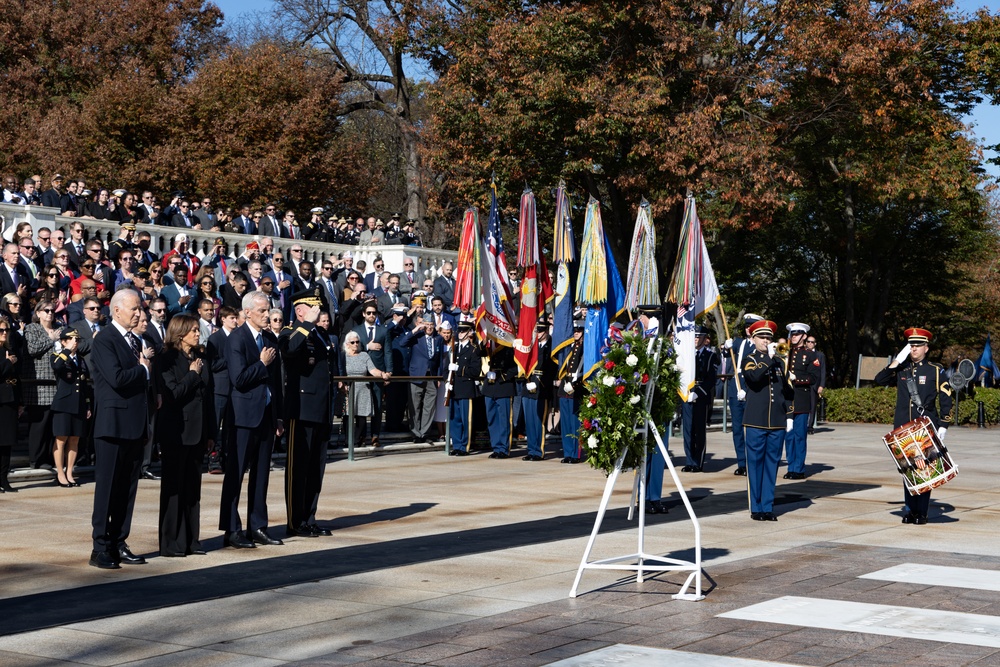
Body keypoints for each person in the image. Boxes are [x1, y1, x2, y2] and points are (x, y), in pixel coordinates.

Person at [89, 290, 152, 569]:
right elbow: (116, 378)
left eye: (139, 308)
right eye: (134, 309)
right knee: (107, 489)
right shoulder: (105, 339)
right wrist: (143, 370)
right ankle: (100, 547)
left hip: (135, 425)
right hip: (112, 426)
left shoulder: (135, 340)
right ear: (116, 311)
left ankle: (119, 541)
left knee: (127, 489)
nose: (139, 313)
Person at [220, 291, 285, 549]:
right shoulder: (237, 339)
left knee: (261, 475)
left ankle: (257, 526)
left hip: (267, 415)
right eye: (262, 311)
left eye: (268, 310)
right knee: (236, 474)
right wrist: (260, 363)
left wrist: (279, 414)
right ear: (247, 312)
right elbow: (239, 379)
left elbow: (276, 381)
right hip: (244, 416)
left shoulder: (269, 338)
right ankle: (232, 529)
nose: (267, 315)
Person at [874, 327, 953, 525]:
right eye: (911, 345)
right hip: (903, 427)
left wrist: (943, 425)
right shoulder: (901, 369)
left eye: (918, 346)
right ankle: (909, 511)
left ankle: (922, 512)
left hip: (924, 427)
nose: (914, 349)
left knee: (924, 468)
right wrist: (897, 361)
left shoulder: (935, 370)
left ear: (926, 348)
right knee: (907, 469)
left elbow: (946, 398)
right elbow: (878, 380)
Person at [279, 288, 338, 538]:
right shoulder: (290, 332)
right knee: (298, 469)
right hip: (302, 410)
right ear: (300, 310)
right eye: (313, 308)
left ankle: (309, 517)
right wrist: (306, 325)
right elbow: (290, 350)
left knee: (316, 470)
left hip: (321, 410)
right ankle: (295, 521)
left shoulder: (321, 334)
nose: (318, 312)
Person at [156, 314, 213, 557]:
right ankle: (171, 543)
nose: (197, 334)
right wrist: (191, 374)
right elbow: (173, 395)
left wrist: (211, 432)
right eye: (193, 331)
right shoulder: (166, 358)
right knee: (174, 488)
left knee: (193, 489)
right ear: (180, 332)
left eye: (198, 330)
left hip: (198, 432)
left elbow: (208, 397)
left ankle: (192, 541)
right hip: (176, 431)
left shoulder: (200, 357)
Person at [741, 319, 792, 521]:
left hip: (777, 421)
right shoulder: (750, 358)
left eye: (768, 337)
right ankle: (756, 507)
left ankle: (767, 506)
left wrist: (789, 414)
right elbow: (753, 379)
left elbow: (788, 391)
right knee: (754, 464)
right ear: (753, 339)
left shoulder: (780, 362)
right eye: (762, 337)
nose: (766, 340)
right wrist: (770, 360)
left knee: (772, 464)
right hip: (755, 421)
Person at [722, 314, 764, 476]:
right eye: (747, 326)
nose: (748, 328)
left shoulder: (760, 346)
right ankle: (742, 463)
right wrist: (726, 347)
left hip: (751, 389)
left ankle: (753, 462)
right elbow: (725, 357)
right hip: (735, 388)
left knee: (752, 430)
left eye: (751, 325)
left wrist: (746, 389)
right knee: (737, 429)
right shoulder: (738, 343)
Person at [23, 300, 61, 469]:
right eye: (46, 311)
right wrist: (50, 339)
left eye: (52, 311)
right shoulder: (32, 328)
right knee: (39, 425)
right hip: (40, 385)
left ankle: (50, 457)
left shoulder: (59, 329)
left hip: (58, 384)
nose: (50, 313)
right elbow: (32, 349)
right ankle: (36, 459)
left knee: (53, 425)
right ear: (38, 313)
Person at [50, 328, 90, 488]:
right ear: (64, 341)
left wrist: (87, 404)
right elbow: (57, 367)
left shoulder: (80, 360)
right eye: (72, 339)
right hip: (63, 404)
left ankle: (69, 472)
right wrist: (66, 350)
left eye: (77, 340)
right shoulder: (58, 356)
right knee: (61, 439)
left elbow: (84, 383)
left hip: (78, 404)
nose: (76, 342)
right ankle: (60, 473)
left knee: (74, 439)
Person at [398, 313, 444, 443]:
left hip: (432, 376)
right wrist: (415, 330)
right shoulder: (416, 337)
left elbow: (439, 359)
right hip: (417, 374)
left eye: (431, 325)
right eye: (427, 325)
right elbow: (402, 343)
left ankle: (425, 432)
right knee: (415, 405)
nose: (429, 327)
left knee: (429, 406)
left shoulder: (438, 338)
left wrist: (439, 377)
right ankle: (415, 433)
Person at [783, 322, 820, 480]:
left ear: (804, 336)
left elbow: (813, 377)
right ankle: (791, 467)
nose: (794, 337)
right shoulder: (786, 352)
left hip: (801, 399)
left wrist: (796, 378)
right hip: (786, 399)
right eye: (792, 334)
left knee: (799, 436)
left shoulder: (811, 355)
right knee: (788, 436)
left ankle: (798, 468)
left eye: (797, 334)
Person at [343, 329, 390, 447]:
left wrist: (383, 374)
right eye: (353, 342)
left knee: (361, 416)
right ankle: (348, 441)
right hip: (349, 388)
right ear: (347, 343)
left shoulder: (364, 355)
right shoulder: (344, 356)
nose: (356, 344)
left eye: (357, 342)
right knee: (348, 416)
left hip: (363, 388)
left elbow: (372, 370)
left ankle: (359, 439)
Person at [681, 326, 719, 472]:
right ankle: (689, 460)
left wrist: (698, 392)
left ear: (705, 339)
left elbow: (710, 379)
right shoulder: (686, 355)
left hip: (701, 396)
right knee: (688, 430)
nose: (696, 339)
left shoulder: (710, 356)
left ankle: (698, 461)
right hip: (686, 394)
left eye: (699, 336)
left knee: (699, 430)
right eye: (694, 336)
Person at [519, 317, 556, 461]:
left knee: (538, 420)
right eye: (537, 330)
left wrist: (540, 382)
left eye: (541, 330)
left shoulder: (551, 346)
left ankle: (538, 451)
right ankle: (531, 449)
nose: (538, 333)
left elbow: (552, 369)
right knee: (529, 421)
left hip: (541, 388)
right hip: (528, 385)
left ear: (547, 331)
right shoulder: (531, 345)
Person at [448, 319, 481, 456]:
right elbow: (446, 367)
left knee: (465, 419)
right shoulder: (453, 348)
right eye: (459, 330)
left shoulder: (474, 350)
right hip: (453, 388)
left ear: (469, 332)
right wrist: (447, 379)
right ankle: (456, 445)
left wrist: (459, 368)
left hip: (466, 389)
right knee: (455, 419)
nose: (460, 333)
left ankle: (464, 446)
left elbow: (475, 371)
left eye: (463, 331)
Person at [557, 317, 585, 464]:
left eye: (579, 330)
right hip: (565, 387)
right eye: (574, 330)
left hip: (576, 388)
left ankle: (575, 454)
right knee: (566, 423)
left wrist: (576, 385)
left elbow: (587, 371)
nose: (576, 333)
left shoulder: (586, 348)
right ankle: (567, 452)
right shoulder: (568, 347)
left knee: (575, 424)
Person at [0, 321, 19, 492]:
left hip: (10, 400)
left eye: (6, 330)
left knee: (7, 442)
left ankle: (4, 478)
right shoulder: (6, 356)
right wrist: (8, 363)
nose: (4, 332)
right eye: (1, 330)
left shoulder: (9, 350)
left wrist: (19, 402)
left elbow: (16, 379)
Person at [806, 334, 827, 432]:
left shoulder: (820, 355)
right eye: (808, 341)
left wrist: (821, 385)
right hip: (802, 384)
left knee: (812, 406)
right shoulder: (802, 353)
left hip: (814, 385)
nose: (810, 343)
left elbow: (823, 371)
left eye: (812, 342)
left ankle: (810, 426)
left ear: (815, 344)